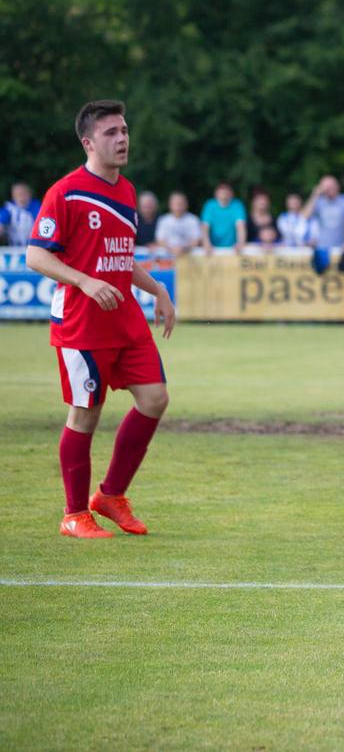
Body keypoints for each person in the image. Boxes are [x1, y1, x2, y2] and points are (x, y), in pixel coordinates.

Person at [24, 100, 176, 538]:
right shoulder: (66, 192)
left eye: (124, 130)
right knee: (85, 415)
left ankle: (110, 496)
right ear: (88, 142)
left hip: (125, 320)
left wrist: (158, 290)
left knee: (155, 399)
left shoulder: (126, 191)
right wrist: (84, 282)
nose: (123, 138)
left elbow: (122, 259)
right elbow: (36, 254)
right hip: (82, 324)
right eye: (111, 132)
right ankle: (74, 514)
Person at [304, 176, 344, 271]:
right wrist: (315, 195)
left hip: (341, 248)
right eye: (325, 187)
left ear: (337, 187)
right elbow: (305, 216)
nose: (328, 190)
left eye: (330, 187)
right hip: (322, 247)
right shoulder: (319, 202)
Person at [200, 182, 246, 250]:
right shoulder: (209, 205)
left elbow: (240, 226)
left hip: (233, 248)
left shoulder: (237, 205)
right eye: (222, 193)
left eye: (227, 193)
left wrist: (240, 243)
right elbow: (204, 227)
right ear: (216, 194)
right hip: (212, 248)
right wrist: (206, 243)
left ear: (232, 194)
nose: (224, 195)